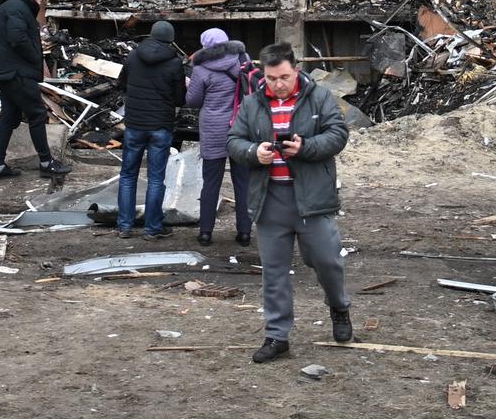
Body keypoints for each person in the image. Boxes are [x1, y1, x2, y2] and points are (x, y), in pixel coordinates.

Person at [228, 43, 353, 364]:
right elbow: (234, 141)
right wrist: (254, 153)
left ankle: (338, 307)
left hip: (312, 197)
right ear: (263, 75)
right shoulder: (253, 103)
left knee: (327, 261)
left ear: (296, 70)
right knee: (274, 272)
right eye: (272, 78)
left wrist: (306, 147)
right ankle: (277, 335)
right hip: (271, 200)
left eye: (284, 76)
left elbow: (338, 134)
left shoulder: (319, 97)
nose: (278, 84)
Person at [0, 0, 72, 179]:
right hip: (16, 73)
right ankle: (46, 162)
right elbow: (17, 38)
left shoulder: (15, 6)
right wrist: (35, 54)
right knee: (37, 114)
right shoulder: (17, 7)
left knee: (8, 116)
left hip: (8, 72)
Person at [186, 27, 255, 246]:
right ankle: (244, 232)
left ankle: (206, 233)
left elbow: (193, 101)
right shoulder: (243, 59)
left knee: (211, 182)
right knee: (243, 182)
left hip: (213, 128)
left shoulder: (200, 69)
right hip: (241, 127)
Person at [117, 21, 186, 239]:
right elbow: (179, 99)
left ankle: (125, 226)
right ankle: (152, 227)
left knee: (128, 175)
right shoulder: (174, 63)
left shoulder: (133, 56)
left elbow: (122, 84)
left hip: (135, 124)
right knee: (156, 179)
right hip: (160, 126)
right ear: (170, 40)